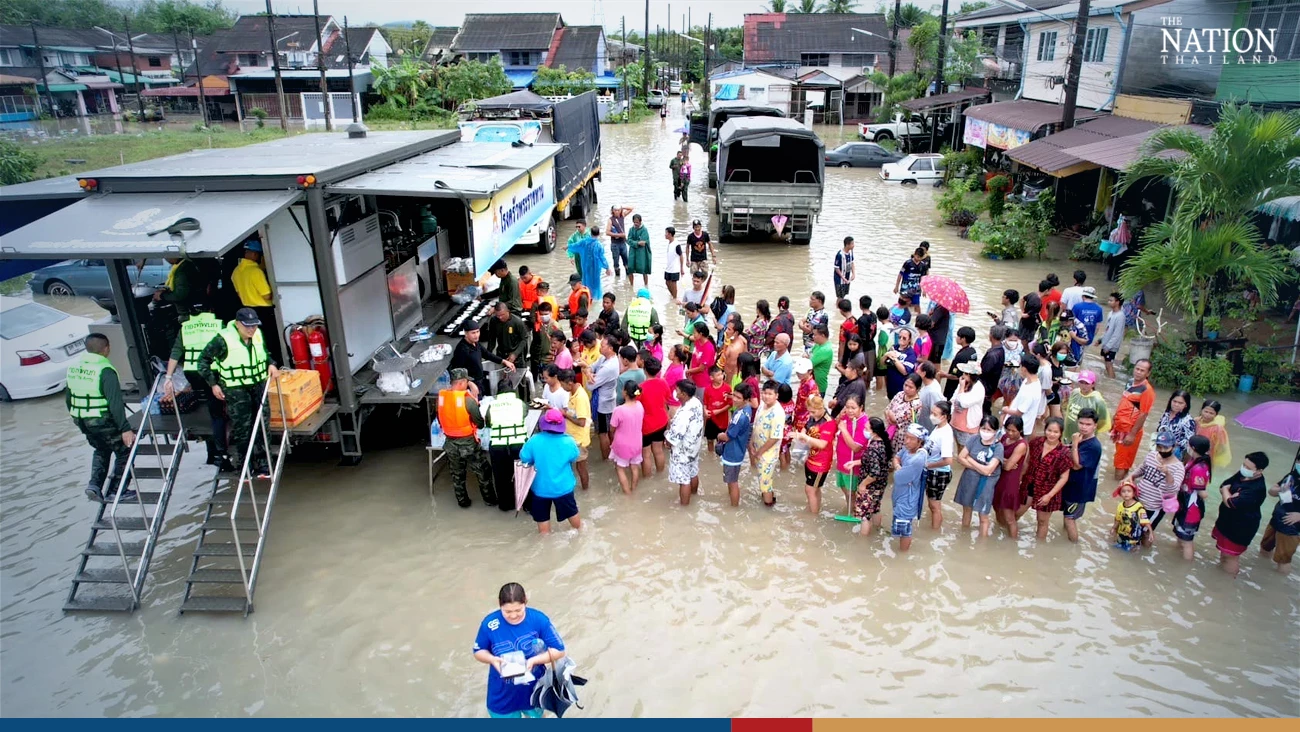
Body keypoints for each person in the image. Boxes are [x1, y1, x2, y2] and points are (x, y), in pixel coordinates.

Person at [196, 308, 280, 479]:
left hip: (258, 385)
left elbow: (264, 354)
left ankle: (264, 464)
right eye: (247, 326)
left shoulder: (258, 335)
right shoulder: (222, 340)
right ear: (237, 324)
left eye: (254, 326)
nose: (251, 329)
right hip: (236, 390)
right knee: (243, 428)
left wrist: (271, 364)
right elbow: (202, 361)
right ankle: (245, 465)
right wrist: (213, 384)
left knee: (263, 425)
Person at [473, 582, 567, 717]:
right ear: (499, 604)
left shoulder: (539, 620)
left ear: (525, 602)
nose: (513, 615)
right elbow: (478, 651)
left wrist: (534, 660)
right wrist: (492, 659)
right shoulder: (489, 624)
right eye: (507, 611)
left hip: (533, 691)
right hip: (502, 695)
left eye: (518, 610)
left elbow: (560, 650)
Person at [67, 333, 137, 502]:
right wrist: (125, 429)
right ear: (106, 349)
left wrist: (78, 417)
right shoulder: (105, 370)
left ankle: (94, 485)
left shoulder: (74, 368)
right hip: (101, 419)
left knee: (101, 449)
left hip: (82, 419)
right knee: (125, 451)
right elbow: (115, 403)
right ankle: (117, 491)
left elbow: (68, 398)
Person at [162, 306, 230, 470]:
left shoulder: (186, 327)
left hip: (192, 373)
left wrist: (168, 377)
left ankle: (212, 452)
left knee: (207, 399)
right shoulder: (218, 324)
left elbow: (175, 352)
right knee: (218, 414)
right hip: (211, 371)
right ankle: (221, 453)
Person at [436, 368, 495, 508]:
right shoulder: (468, 400)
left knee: (457, 475)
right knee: (483, 472)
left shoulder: (442, 398)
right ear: (462, 382)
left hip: (450, 443)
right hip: (468, 443)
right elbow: (480, 423)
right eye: (467, 381)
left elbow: (439, 419)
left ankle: (463, 502)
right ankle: (490, 501)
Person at [1213, 452, 1271, 575]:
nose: (1244, 469)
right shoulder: (1242, 475)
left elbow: (1230, 502)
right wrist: (1227, 493)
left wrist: (1226, 492)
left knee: (1230, 557)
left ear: (1259, 471)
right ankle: (1219, 575)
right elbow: (1223, 485)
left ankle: (1228, 582)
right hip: (1227, 521)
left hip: (1240, 528)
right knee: (1224, 554)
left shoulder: (1256, 489)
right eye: (1244, 465)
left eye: (1248, 468)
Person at [1020, 417, 1072, 541]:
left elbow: (1064, 477)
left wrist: (1049, 495)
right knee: (1015, 513)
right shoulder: (1036, 443)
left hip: (1047, 491)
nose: (1052, 434)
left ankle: (1039, 547)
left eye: (1055, 432)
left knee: (1042, 521)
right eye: (1049, 430)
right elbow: (1026, 461)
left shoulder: (1064, 453)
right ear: (1045, 429)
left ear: (1060, 433)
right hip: (1029, 485)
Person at [230, 238, 281, 364]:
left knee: (257, 341)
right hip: (263, 312)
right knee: (271, 341)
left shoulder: (236, 272)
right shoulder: (255, 272)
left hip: (247, 310)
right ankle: (275, 365)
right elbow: (267, 295)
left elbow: (238, 293)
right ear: (254, 254)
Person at [954, 415, 1004, 537]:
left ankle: (982, 545)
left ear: (996, 431)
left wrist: (970, 459)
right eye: (983, 428)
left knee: (983, 515)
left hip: (985, 484)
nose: (986, 432)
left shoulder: (998, 447)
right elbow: (960, 457)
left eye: (989, 430)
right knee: (966, 510)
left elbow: (988, 471)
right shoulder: (974, 439)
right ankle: (963, 538)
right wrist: (979, 468)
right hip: (969, 480)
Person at [1110, 358, 1156, 480]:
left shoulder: (1147, 390)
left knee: (1120, 463)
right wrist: (1114, 419)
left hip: (1130, 430)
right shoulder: (1130, 382)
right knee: (1122, 460)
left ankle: (1118, 488)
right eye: (1137, 368)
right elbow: (1124, 402)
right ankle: (1124, 482)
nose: (1138, 372)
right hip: (1120, 426)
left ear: (1148, 373)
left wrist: (1132, 434)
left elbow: (1143, 414)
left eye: (1142, 370)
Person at [1061, 409, 1102, 542]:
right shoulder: (1080, 438)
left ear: (1095, 425)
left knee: (1070, 518)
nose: (1084, 427)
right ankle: (1065, 539)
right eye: (1081, 423)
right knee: (1067, 515)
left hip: (1079, 489)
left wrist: (1074, 445)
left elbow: (1076, 465)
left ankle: (1073, 546)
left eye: (1088, 424)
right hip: (1071, 484)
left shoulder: (1094, 446)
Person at [485, 390, 530, 513]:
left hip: (498, 445)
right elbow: (525, 414)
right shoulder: (520, 403)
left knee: (501, 476)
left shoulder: (492, 405)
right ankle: (527, 505)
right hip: (518, 443)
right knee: (523, 474)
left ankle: (506, 505)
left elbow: (488, 423)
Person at [1134, 431, 1186, 531]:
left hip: (1153, 507)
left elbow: (1174, 489)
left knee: (1146, 533)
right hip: (1137, 500)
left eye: (1165, 448)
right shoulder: (1151, 455)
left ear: (1173, 447)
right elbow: (1142, 469)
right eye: (1159, 447)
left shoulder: (1178, 467)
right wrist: (1131, 477)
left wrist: (1167, 473)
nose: (1162, 450)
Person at [1173, 435, 1213, 560]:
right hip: (1184, 504)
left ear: (1193, 448)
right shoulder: (1194, 461)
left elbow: (1202, 492)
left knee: (1187, 541)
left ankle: (1185, 566)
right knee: (1180, 536)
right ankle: (1177, 559)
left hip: (1191, 508)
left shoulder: (1199, 468)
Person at [796, 393, 836, 514]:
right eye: (809, 412)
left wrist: (805, 438)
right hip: (811, 457)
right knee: (815, 488)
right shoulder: (813, 417)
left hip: (821, 462)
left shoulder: (829, 422)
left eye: (813, 412)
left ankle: (813, 516)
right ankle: (814, 508)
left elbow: (823, 444)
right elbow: (806, 427)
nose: (810, 415)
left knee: (809, 489)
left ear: (820, 408)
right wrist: (801, 436)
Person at [666, 380, 705, 504]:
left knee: (684, 480)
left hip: (683, 451)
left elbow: (673, 438)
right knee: (693, 472)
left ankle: (684, 506)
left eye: (677, 391)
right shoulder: (696, 402)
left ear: (683, 394)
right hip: (694, 445)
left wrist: (667, 442)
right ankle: (694, 495)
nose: (675, 393)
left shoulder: (683, 414)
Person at [892, 424, 930, 552]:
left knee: (904, 530)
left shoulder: (918, 459)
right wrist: (898, 466)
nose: (907, 441)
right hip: (900, 495)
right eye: (906, 437)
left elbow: (898, 477)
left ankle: (902, 555)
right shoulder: (907, 448)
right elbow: (896, 458)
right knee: (900, 526)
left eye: (911, 438)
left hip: (907, 499)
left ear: (920, 442)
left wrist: (898, 469)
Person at [718, 383, 756, 507]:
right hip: (739, 450)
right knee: (732, 480)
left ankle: (733, 507)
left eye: (738, 397)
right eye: (733, 395)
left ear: (745, 399)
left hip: (732, 453)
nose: (734, 399)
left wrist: (719, 435)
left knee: (732, 482)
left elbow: (728, 436)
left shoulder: (739, 417)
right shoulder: (747, 409)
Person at [851, 417, 892, 534]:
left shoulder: (873, 449)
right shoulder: (883, 443)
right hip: (880, 484)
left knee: (864, 516)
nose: (864, 430)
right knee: (875, 509)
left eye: (866, 428)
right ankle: (877, 530)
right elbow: (877, 463)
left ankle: (863, 543)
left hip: (870, 486)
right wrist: (855, 462)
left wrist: (863, 485)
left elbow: (874, 472)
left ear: (874, 431)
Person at [1262, 459, 1300, 574]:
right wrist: (1281, 489)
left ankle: (1278, 584)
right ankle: (1261, 570)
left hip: (1292, 526)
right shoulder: (1292, 475)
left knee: (1283, 559)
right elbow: (1271, 491)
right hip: (1277, 517)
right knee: (1265, 546)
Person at [993, 415, 1029, 538]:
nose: (1010, 433)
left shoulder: (1021, 445)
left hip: (1009, 482)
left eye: (1013, 431)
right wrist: (1003, 460)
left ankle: (1013, 542)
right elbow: (993, 452)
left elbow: (1008, 467)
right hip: (998, 478)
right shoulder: (1004, 437)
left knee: (1009, 517)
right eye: (1008, 429)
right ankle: (1001, 532)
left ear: (1020, 431)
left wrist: (999, 461)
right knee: (997, 509)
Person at [833, 395, 869, 518]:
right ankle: (850, 506)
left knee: (851, 491)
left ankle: (854, 512)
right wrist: (840, 416)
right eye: (847, 407)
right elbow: (835, 424)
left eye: (853, 408)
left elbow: (855, 447)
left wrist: (843, 430)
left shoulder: (864, 423)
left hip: (853, 464)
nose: (849, 410)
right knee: (844, 488)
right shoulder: (847, 417)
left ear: (861, 408)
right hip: (842, 461)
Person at [750, 380, 784, 507]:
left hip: (767, 453)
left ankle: (768, 505)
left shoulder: (777, 412)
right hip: (758, 449)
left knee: (765, 483)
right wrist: (752, 443)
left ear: (776, 395)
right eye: (764, 393)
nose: (766, 396)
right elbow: (756, 425)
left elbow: (775, 437)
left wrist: (760, 452)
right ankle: (768, 497)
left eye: (770, 394)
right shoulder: (762, 405)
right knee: (764, 480)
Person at [608, 381, 646, 494]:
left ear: (625, 392)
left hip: (622, 444)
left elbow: (612, 428)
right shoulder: (640, 405)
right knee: (635, 467)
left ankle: (627, 494)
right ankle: (633, 490)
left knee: (620, 469)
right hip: (637, 442)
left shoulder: (619, 410)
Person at [923, 400, 955, 529]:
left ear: (944, 416)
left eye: (935, 414)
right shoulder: (938, 428)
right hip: (934, 471)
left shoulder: (946, 434)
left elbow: (948, 460)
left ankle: (935, 531)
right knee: (932, 504)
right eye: (932, 413)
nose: (932, 416)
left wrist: (928, 465)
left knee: (934, 506)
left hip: (939, 473)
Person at [558, 368, 592, 492]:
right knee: (572, 466)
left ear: (570, 383)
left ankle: (585, 490)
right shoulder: (572, 392)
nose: (561, 387)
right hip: (571, 436)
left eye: (562, 385)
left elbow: (582, 422)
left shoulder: (580, 397)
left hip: (579, 440)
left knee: (581, 467)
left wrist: (565, 415)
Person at [638, 356, 671, 477]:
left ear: (645, 370)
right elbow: (667, 399)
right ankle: (660, 475)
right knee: (658, 451)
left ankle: (646, 478)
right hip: (661, 421)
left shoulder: (640, 388)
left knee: (645, 454)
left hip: (646, 425)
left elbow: (635, 401)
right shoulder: (663, 382)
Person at [481, 302, 530, 382]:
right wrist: (488, 354)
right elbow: (491, 339)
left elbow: (524, 339)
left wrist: (515, 353)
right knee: (502, 380)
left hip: (516, 356)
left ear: (508, 311)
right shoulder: (494, 321)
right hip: (501, 355)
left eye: (502, 315)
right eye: (498, 315)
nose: (500, 317)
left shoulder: (517, 322)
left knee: (519, 381)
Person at [591, 335, 621, 461]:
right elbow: (592, 366)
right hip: (608, 399)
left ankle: (606, 459)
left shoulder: (609, 366)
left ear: (610, 348)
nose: (600, 347)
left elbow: (590, 385)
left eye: (602, 346)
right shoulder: (605, 358)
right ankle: (613, 455)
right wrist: (590, 371)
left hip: (603, 404)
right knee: (609, 431)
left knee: (603, 433)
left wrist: (588, 373)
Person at [567, 225, 611, 304]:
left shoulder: (584, 242)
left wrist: (568, 247)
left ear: (590, 233)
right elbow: (602, 258)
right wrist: (607, 267)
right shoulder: (599, 245)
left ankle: (586, 298)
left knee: (586, 281)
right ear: (598, 234)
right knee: (595, 283)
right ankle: (592, 300)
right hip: (595, 268)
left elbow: (575, 245)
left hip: (586, 267)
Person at [1002, 358, 1044, 439]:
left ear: (1024, 369)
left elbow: (1019, 413)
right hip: (1015, 422)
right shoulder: (1029, 381)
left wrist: (1005, 410)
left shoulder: (1030, 391)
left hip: (1019, 427)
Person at [1062, 370, 1110, 438]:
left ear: (1093, 384)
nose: (1083, 386)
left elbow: (1102, 421)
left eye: (1087, 383)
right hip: (1068, 432)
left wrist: (1088, 431)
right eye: (1081, 382)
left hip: (1085, 436)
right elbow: (1067, 409)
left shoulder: (1098, 400)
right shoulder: (1075, 392)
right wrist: (1065, 400)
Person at [885, 373, 922, 456]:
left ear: (918, 389)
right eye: (905, 385)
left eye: (911, 387)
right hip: (890, 430)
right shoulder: (900, 394)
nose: (907, 389)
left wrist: (890, 414)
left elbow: (896, 419)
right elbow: (887, 409)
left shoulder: (916, 405)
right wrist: (889, 414)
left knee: (897, 457)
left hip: (902, 437)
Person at [950, 362, 985, 446]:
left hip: (968, 425)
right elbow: (954, 398)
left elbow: (964, 403)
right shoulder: (964, 383)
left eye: (965, 373)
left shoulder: (979, 388)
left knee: (964, 449)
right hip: (955, 420)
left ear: (970, 375)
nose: (962, 375)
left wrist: (962, 387)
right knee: (956, 445)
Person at [1156, 389, 1197, 459]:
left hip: (1174, 452)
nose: (1176, 404)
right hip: (1160, 446)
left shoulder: (1188, 421)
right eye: (1174, 401)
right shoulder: (1166, 414)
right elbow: (1159, 427)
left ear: (1186, 405)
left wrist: (1174, 443)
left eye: (1180, 403)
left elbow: (1189, 441)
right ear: (1170, 401)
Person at [1112, 480, 1152, 552]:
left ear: (1133, 494)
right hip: (1122, 533)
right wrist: (1113, 528)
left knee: (1129, 552)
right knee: (1117, 548)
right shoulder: (1120, 505)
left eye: (1129, 491)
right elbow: (1117, 519)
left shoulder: (1138, 507)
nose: (1126, 493)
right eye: (1123, 491)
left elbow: (1145, 521)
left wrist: (1151, 533)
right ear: (1120, 494)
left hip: (1133, 537)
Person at [942, 327, 978, 401]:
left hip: (954, 386)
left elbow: (956, 376)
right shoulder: (973, 351)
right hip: (966, 385)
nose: (956, 337)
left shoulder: (961, 356)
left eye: (958, 336)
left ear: (963, 339)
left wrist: (943, 375)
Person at [1195, 399, 1233, 469]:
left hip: (1207, 457)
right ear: (1201, 410)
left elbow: (1222, 447)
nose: (1207, 415)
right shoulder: (1197, 421)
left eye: (1211, 413)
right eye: (1205, 411)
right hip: (1193, 452)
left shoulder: (1218, 428)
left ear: (1216, 414)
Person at [883, 327, 919, 400]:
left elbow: (904, 371)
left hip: (902, 387)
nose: (901, 339)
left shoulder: (911, 354)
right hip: (890, 384)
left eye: (904, 338)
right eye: (899, 337)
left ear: (909, 340)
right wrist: (886, 355)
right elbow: (883, 363)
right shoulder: (894, 347)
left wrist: (894, 358)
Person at [703, 366, 732, 454]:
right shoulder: (707, 389)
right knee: (710, 440)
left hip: (722, 420)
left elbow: (730, 404)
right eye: (718, 375)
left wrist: (719, 411)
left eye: (721, 374)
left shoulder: (727, 388)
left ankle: (721, 456)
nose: (721, 377)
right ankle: (711, 456)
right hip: (711, 419)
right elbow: (705, 403)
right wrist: (704, 410)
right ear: (711, 378)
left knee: (721, 440)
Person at [1098, 292, 1127, 380]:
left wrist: (1108, 346)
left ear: (1117, 302)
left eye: (1111, 300)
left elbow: (1117, 334)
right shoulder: (1110, 313)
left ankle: (1112, 380)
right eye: (1109, 300)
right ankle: (1109, 379)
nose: (1109, 302)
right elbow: (1108, 329)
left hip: (1111, 346)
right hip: (1106, 343)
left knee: (1109, 364)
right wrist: (1100, 340)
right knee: (1107, 364)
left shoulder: (1120, 316)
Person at [980, 325, 1007, 413]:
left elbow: (983, 371)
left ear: (991, 335)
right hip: (992, 386)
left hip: (986, 387)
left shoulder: (992, 355)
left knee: (983, 411)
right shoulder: (1001, 349)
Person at [894, 248, 926, 314]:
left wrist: (924, 290)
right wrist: (896, 286)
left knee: (916, 304)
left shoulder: (923, 265)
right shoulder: (907, 263)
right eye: (917, 257)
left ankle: (919, 319)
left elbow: (923, 278)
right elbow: (900, 274)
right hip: (905, 287)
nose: (918, 259)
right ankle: (897, 315)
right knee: (902, 303)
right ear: (914, 254)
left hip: (916, 288)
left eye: (920, 257)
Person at [606, 205, 634, 282]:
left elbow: (631, 208)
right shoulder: (610, 220)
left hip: (623, 243)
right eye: (616, 210)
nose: (617, 212)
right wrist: (618, 235)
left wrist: (623, 207)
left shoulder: (622, 216)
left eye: (619, 210)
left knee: (627, 262)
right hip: (615, 244)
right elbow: (607, 232)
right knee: (616, 263)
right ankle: (617, 279)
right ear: (613, 211)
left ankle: (628, 280)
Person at [626, 214, 652, 289]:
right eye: (634, 222)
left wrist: (634, 243)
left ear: (640, 222)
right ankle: (631, 286)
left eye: (637, 222)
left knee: (644, 269)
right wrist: (637, 243)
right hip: (632, 252)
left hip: (642, 253)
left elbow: (643, 242)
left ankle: (646, 286)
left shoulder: (644, 230)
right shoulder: (631, 229)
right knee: (630, 268)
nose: (636, 224)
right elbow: (628, 240)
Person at [915, 361, 943, 432]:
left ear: (923, 374)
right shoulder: (931, 383)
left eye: (918, 369)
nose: (916, 371)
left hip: (926, 427)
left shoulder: (932, 392)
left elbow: (936, 412)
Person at [687, 323, 716, 390]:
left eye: (694, 333)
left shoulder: (708, 348)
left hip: (702, 381)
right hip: (693, 376)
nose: (693, 334)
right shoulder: (697, 341)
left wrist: (688, 371)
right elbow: (693, 358)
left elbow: (701, 368)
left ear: (700, 334)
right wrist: (690, 372)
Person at [719, 315, 748, 382]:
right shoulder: (741, 339)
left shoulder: (733, 349)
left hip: (732, 378)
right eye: (727, 328)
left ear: (736, 332)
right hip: (739, 374)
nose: (726, 331)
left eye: (729, 329)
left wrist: (727, 385)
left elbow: (729, 371)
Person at [809, 325, 834, 395]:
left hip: (818, 387)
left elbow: (809, 364)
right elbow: (809, 353)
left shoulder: (825, 350)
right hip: (813, 383)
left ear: (822, 335)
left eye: (815, 335)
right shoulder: (818, 344)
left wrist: (808, 357)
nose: (813, 336)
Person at [662, 226, 684, 300]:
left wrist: (681, 268)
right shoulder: (670, 243)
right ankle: (673, 297)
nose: (665, 235)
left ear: (670, 234)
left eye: (666, 233)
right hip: (668, 267)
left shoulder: (676, 244)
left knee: (673, 284)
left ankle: (675, 298)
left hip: (675, 268)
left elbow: (681, 256)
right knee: (667, 283)